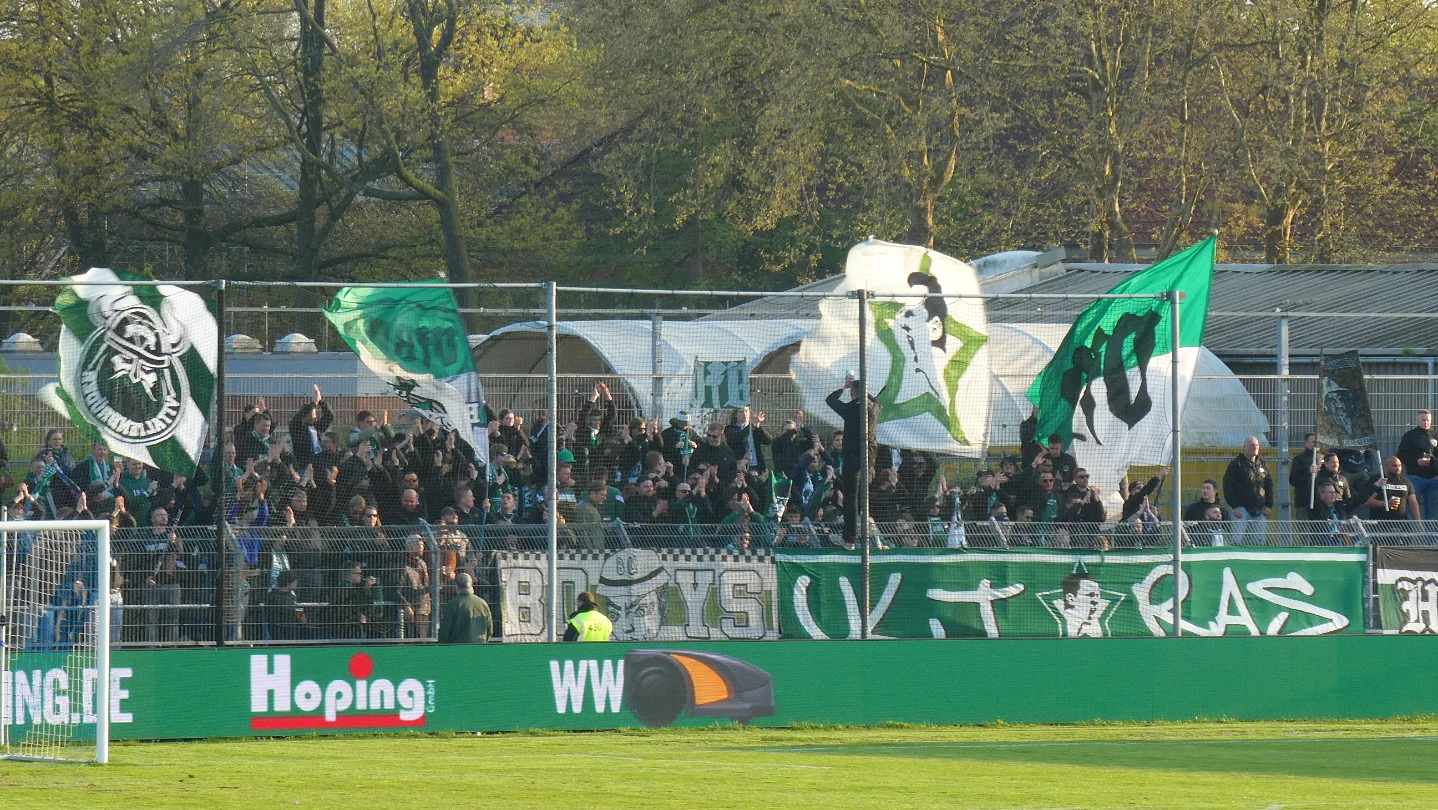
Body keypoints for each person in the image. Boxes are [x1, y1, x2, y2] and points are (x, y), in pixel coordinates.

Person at [827, 373, 880, 546]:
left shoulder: (851, 408)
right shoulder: (875, 406)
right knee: (865, 495)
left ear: (853, 393)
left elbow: (830, 400)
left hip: (852, 457)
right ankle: (867, 533)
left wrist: (845, 386)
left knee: (850, 498)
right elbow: (878, 402)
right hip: (869, 455)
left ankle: (849, 539)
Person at [1223, 436, 1272, 545]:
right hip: (1241, 510)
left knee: (1260, 543)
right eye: (1251, 445)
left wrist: (1269, 505)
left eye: (1257, 445)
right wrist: (1234, 506)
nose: (1255, 447)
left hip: (1260, 510)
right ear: (1244, 447)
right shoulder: (1236, 464)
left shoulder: (1262, 464)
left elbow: (1269, 485)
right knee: (1236, 541)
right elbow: (1228, 486)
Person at [1396, 410, 1438, 523]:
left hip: (1433, 479)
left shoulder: (1435, 435)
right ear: (1418, 420)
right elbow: (1401, 455)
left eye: (1428, 420)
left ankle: (1432, 539)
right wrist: (1416, 461)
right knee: (1412, 508)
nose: (1425, 422)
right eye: (1423, 420)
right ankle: (1412, 537)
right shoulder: (1410, 436)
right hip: (1415, 477)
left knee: (1432, 511)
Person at [437, 573, 492, 643]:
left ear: (457, 586)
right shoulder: (483, 604)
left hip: (457, 648)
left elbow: (445, 630)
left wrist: (442, 644)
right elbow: (489, 629)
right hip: (479, 646)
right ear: (471, 585)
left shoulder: (452, 604)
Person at [1365, 455, 1420, 521]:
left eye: (1399, 466)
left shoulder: (1405, 482)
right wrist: (1386, 503)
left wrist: (1418, 522)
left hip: (1402, 525)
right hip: (1380, 525)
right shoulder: (1377, 480)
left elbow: (1413, 503)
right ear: (1386, 466)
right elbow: (1367, 501)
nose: (1398, 468)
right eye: (1394, 465)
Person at [264, 571, 309, 641]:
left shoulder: (292, 596)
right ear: (289, 582)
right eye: (294, 581)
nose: (296, 583)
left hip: (292, 629)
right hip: (278, 629)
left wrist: (301, 618)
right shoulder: (272, 597)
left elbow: (297, 610)